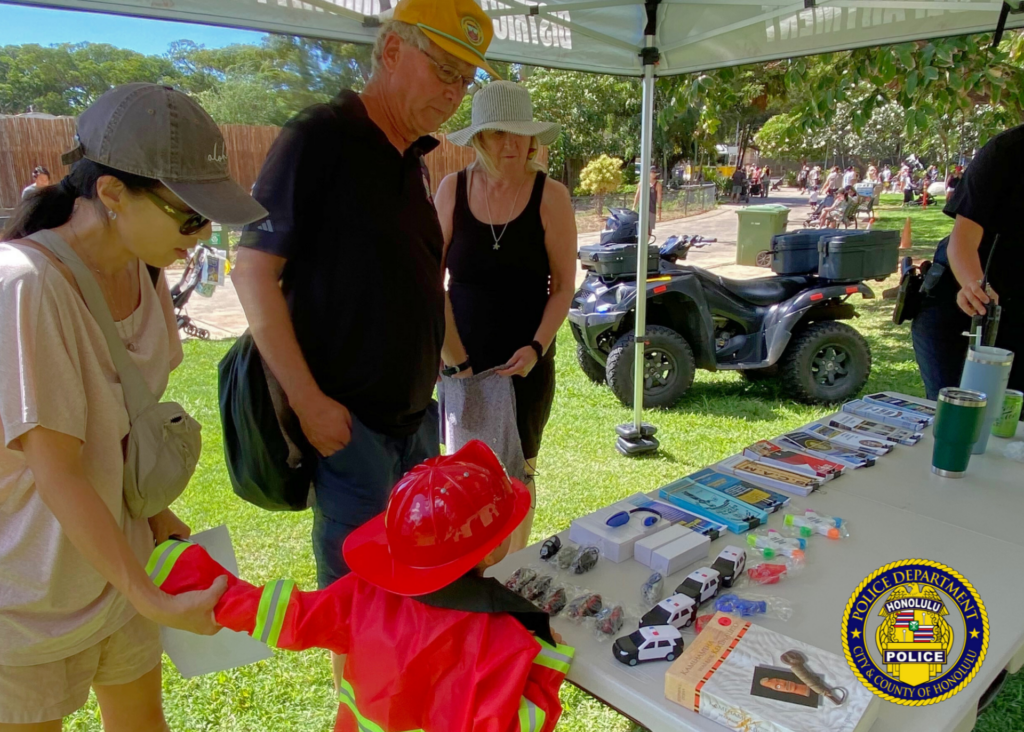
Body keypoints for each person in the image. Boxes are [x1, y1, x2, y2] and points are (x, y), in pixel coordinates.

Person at [229, 0, 496, 684]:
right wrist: (309, 401)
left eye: (464, 78)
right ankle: (363, 710)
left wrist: (458, 367)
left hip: (414, 425)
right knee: (362, 606)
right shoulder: (320, 137)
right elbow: (253, 271)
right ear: (390, 51)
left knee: (419, 591)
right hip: (348, 427)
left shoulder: (414, 163)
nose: (452, 90)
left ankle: (404, 702)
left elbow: (418, 286)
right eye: (442, 68)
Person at [0, 83, 266, 729]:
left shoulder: (144, 273)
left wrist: (157, 521)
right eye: (188, 215)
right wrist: (147, 594)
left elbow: (112, 434)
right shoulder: (26, 283)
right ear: (112, 193)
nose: (202, 236)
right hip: (28, 593)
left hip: (115, 565)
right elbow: (56, 469)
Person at [141, 441, 575, 732]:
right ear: (489, 550)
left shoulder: (361, 593)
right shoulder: (504, 639)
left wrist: (186, 571)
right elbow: (519, 722)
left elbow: (288, 616)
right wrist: (544, 666)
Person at [436, 81, 577, 552]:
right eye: (499, 133)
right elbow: (429, 284)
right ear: (478, 137)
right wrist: (454, 360)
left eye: (521, 133)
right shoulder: (451, 190)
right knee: (467, 478)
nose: (513, 144)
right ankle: (473, 570)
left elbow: (562, 287)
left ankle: (512, 572)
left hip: (526, 367)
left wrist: (537, 347)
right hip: (462, 364)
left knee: (519, 475)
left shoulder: (550, 195)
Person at [911, 125, 1024, 404]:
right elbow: (962, 241)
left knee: (1010, 421)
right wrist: (974, 285)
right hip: (958, 304)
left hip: (1017, 311)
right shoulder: (1006, 151)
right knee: (958, 416)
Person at [631, 165, 663, 231]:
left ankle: (646, 241)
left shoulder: (657, 185)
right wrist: (634, 206)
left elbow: (659, 197)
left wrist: (659, 208)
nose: (654, 174)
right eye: (652, 172)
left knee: (650, 228)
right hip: (642, 209)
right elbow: (637, 194)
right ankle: (641, 240)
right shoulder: (642, 183)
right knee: (641, 226)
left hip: (651, 208)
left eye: (655, 172)